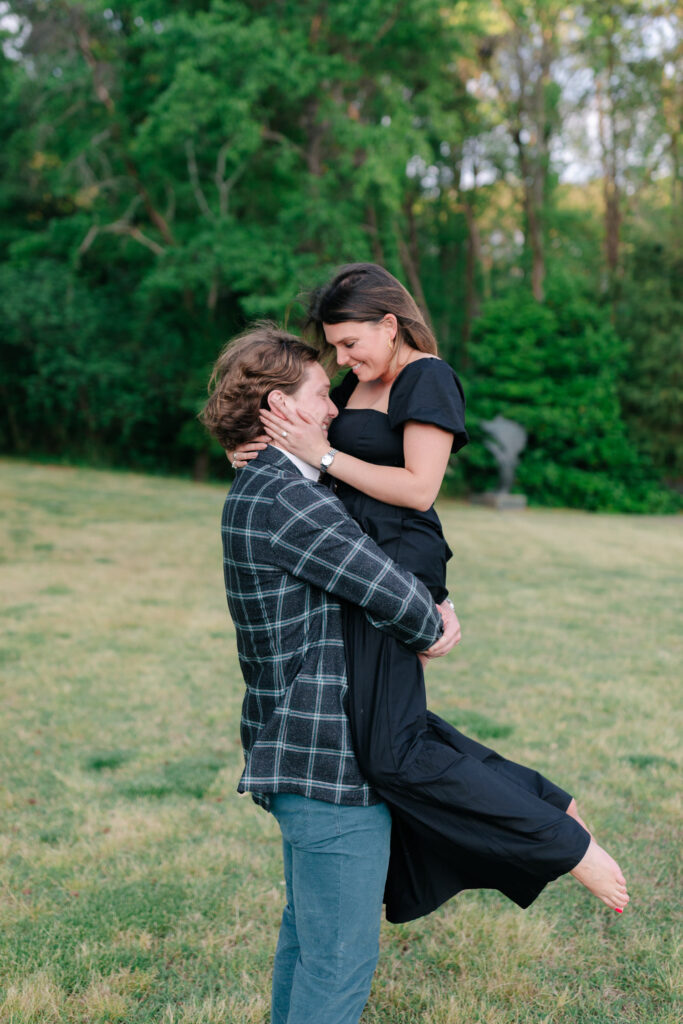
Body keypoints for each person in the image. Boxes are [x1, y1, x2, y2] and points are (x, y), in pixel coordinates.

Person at [233, 263, 629, 923]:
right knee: (386, 730)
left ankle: (561, 842)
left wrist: (323, 457)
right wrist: (261, 450)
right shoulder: (357, 381)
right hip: (354, 561)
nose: (341, 358)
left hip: (396, 559)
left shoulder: (427, 378)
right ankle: (545, 803)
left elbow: (419, 487)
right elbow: (307, 436)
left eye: (351, 342)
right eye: (333, 346)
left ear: (390, 325)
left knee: (389, 752)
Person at [200, 325, 461, 1024]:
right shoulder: (293, 502)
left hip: (294, 755)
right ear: (277, 409)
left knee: (310, 947)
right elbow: (409, 608)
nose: (336, 410)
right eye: (320, 394)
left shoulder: (271, 487)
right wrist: (436, 609)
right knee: (338, 964)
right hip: (327, 767)